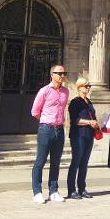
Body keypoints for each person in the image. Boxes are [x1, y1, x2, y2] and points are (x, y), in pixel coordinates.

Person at [31, 63, 70, 204]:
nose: (62, 76)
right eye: (59, 73)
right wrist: (46, 120)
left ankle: (53, 191)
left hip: (59, 129)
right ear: (52, 75)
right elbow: (35, 111)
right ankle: (37, 192)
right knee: (40, 161)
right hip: (46, 129)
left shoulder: (66, 92)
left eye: (63, 73)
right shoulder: (44, 91)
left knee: (56, 162)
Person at [66, 77, 98, 199]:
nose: (88, 88)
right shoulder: (75, 102)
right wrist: (90, 122)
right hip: (78, 135)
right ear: (79, 87)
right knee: (76, 161)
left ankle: (82, 188)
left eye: (89, 86)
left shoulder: (89, 102)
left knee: (84, 162)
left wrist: (95, 123)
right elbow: (75, 120)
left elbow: (93, 117)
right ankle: (71, 190)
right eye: (86, 86)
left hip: (89, 135)